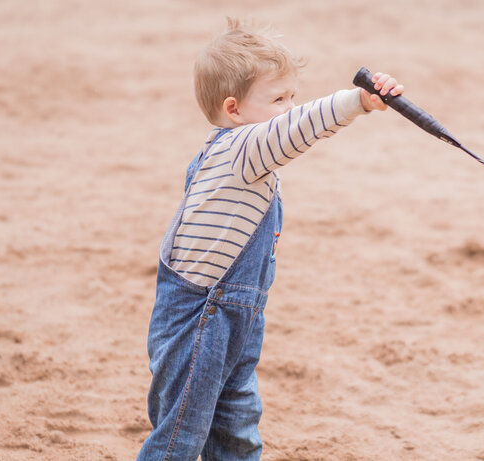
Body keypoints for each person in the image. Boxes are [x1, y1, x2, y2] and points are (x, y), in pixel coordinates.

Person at [137, 18, 403, 461]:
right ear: (234, 109)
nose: (289, 108)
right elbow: (297, 129)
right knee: (180, 435)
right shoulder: (242, 148)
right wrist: (357, 100)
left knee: (236, 427)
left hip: (236, 319)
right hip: (204, 318)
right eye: (278, 99)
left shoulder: (230, 154)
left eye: (292, 97)